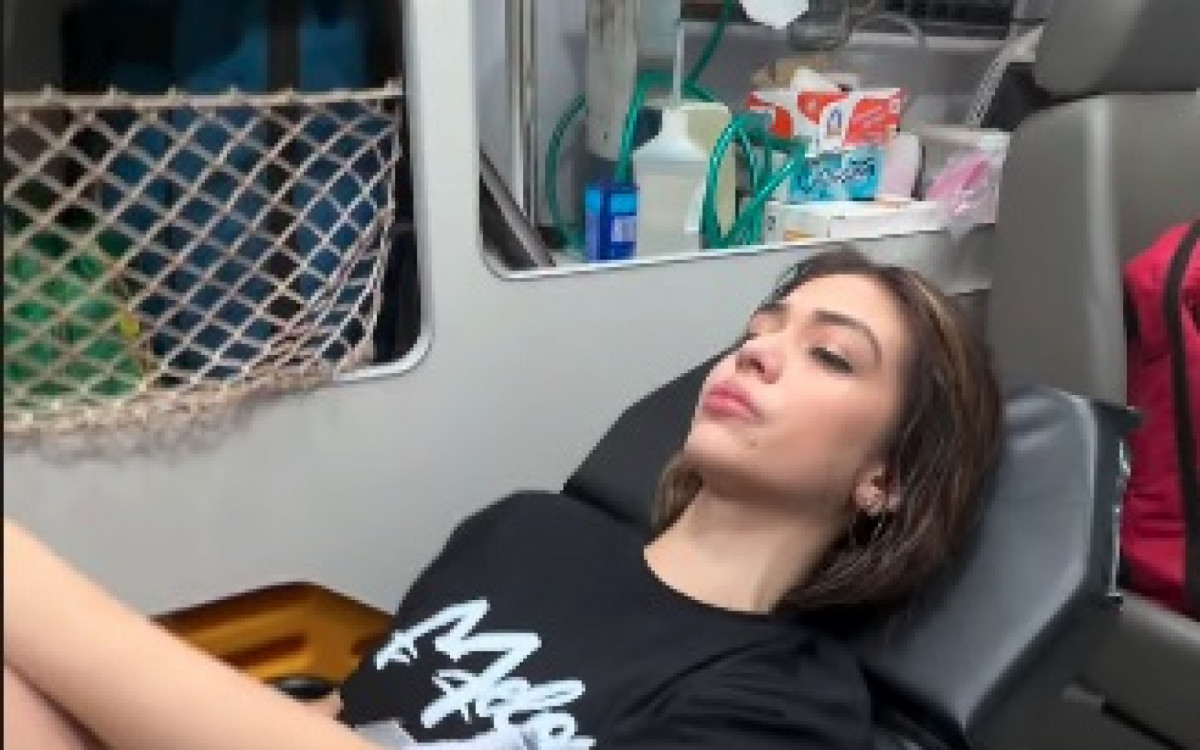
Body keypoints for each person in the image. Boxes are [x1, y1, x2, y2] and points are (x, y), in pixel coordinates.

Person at [4, 248, 1003, 750]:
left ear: (885, 479)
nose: (758, 352)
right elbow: (352, 716)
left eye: (830, 356)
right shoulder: (528, 532)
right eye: (762, 327)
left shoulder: (787, 704)